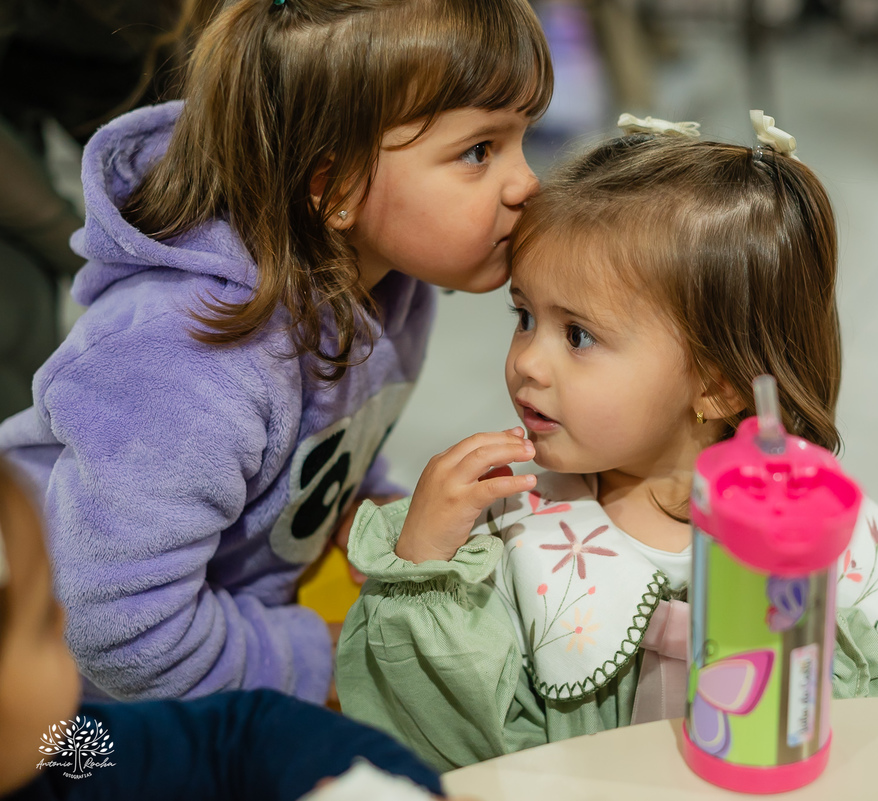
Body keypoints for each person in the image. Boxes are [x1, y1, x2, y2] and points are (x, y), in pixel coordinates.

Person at [335, 113, 878, 772]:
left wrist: (807, 632)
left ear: (717, 387)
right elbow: (462, 753)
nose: (528, 363)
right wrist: (425, 570)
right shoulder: (509, 535)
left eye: (577, 334)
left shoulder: (815, 530)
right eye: (525, 316)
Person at [0, 0, 551, 706]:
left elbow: (318, 441)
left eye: (522, 138)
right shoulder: (188, 359)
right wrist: (319, 654)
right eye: (480, 150)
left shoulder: (387, 283)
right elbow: (119, 631)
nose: (527, 182)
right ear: (335, 188)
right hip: (70, 711)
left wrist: (371, 512)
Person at [0, 457, 443, 800]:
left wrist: (396, 787)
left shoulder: (64, 750)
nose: (62, 618)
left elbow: (240, 737)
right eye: (40, 621)